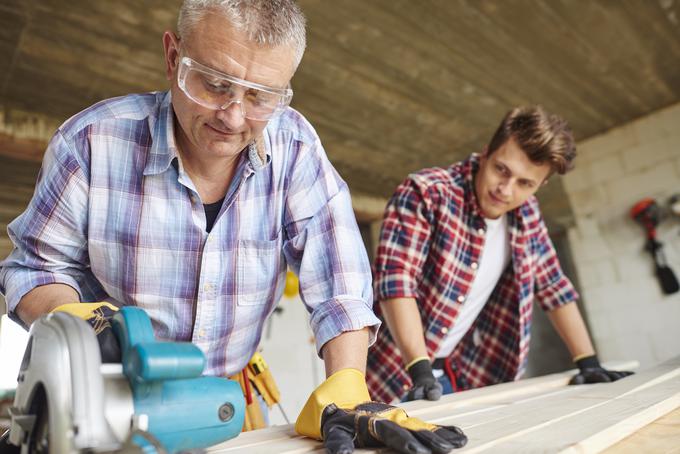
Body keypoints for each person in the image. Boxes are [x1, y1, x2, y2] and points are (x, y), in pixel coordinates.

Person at [0, 1, 467, 452]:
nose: (233, 116)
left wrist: (346, 386)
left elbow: (339, 284)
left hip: (229, 404)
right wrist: (83, 325)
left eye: (260, 96)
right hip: (103, 400)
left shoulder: (295, 146)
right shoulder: (90, 142)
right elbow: (35, 268)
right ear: (172, 57)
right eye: (214, 84)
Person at [366, 106, 633, 403]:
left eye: (524, 183)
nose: (506, 190)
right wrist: (419, 369)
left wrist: (587, 360)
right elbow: (396, 281)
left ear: (540, 185)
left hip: (456, 375)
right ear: (485, 154)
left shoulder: (527, 214)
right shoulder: (427, 193)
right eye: (501, 170)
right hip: (390, 373)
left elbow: (554, 287)